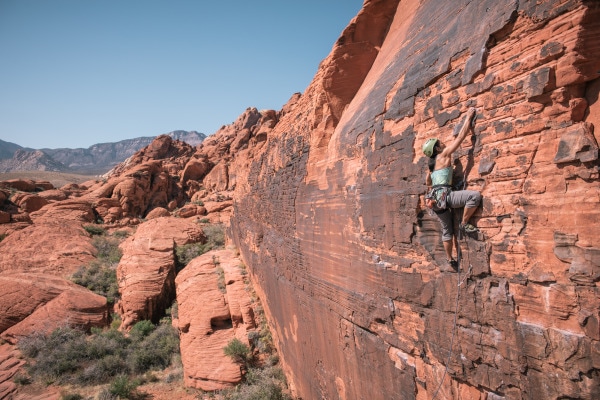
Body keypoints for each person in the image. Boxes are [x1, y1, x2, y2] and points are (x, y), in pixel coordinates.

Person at [423, 107, 481, 270]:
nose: (443, 142)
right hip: (447, 197)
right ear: (437, 149)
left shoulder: (431, 168)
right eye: (439, 143)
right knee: (474, 197)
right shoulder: (444, 154)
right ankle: (464, 222)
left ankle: (449, 259)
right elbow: (461, 138)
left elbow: (428, 183)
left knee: (447, 230)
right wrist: (468, 118)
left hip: (436, 203)